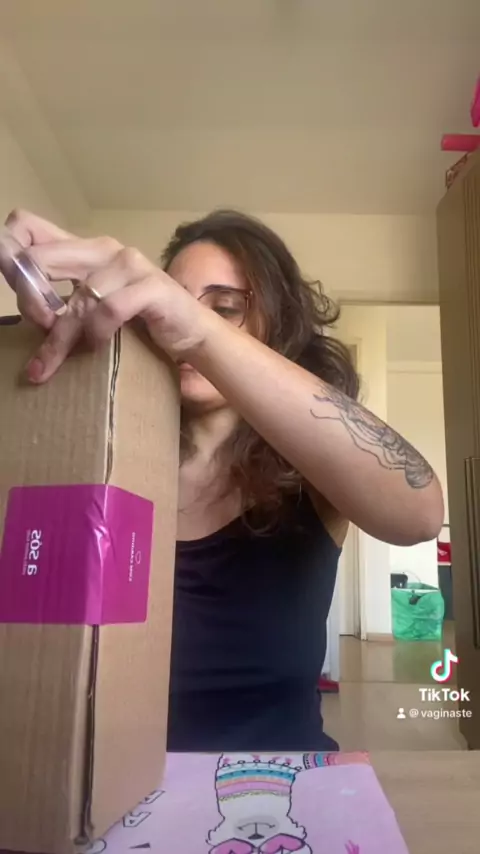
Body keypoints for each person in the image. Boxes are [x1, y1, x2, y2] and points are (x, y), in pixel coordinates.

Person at [1, 208, 444, 752]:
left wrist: (197, 330)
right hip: (110, 782)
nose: (178, 322)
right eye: (170, 302)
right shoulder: (104, 460)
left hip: (278, 785)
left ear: (275, 326)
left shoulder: (309, 473)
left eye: (226, 307)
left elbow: (419, 514)